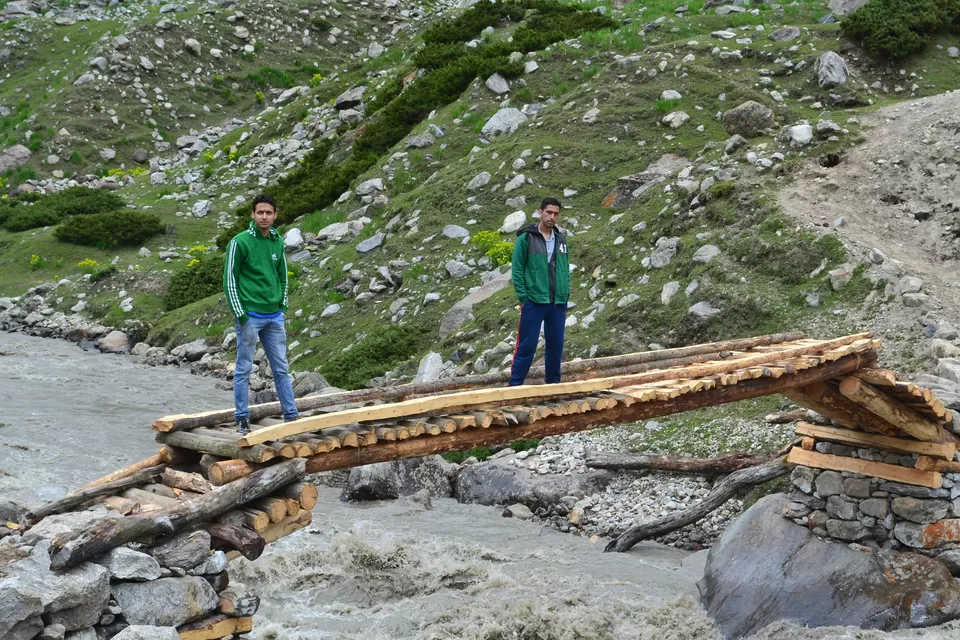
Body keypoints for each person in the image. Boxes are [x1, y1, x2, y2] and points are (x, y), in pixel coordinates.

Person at [223, 194, 299, 435]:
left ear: (275, 215)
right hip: (250, 315)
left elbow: (283, 276)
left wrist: (283, 308)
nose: (264, 217)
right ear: (252, 215)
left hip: (274, 315)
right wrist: (241, 314)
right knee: (244, 368)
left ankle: (291, 416)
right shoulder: (239, 242)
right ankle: (242, 418)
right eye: (260, 213)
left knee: (281, 368)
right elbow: (229, 280)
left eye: (268, 213)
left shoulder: (277, 240)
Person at [509, 197, 570, 386]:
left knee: (555, 346)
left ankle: (553, 386)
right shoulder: (526, 238)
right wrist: (523, 298)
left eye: (556, 213)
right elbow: (517, 270)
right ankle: (515, 386)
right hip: (534, 301)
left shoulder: (561, 239)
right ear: (540, 212)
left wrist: (565, 292)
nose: (552, 217)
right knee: (527, 345)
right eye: (549, 212)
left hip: (557, 302)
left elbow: (564, 268)